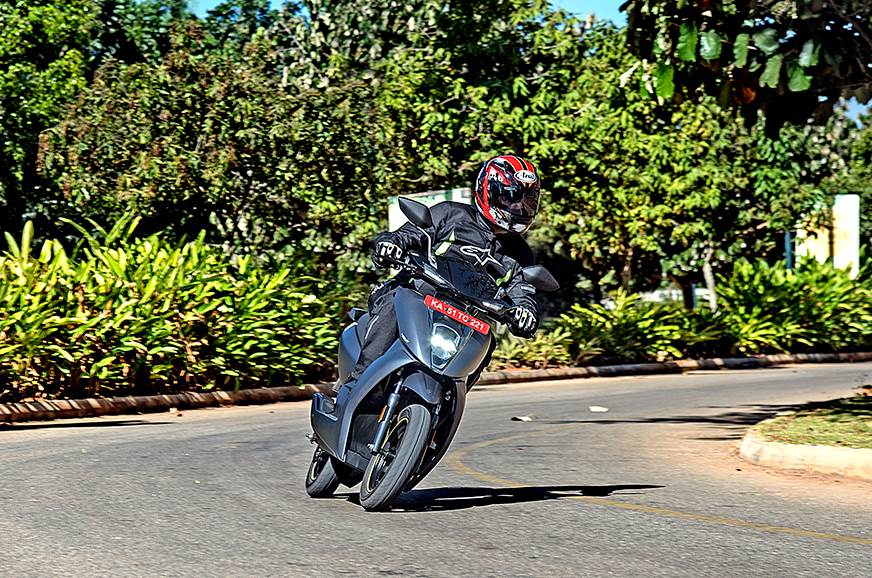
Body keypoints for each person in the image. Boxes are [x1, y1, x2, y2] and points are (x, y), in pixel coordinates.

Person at [335, 154, 542, 393]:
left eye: (526, 200)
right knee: (395, 301)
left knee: (486, 341)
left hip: (464, 316)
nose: (519, 207)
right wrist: (391, 244)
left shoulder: (520, 254)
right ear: (488, 191)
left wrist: (525, 311)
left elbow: (521, 289)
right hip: (417, 295)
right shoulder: (452, 214)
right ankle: (356, 384)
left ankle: (449, 399)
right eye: (511, 197)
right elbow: (409, 234)